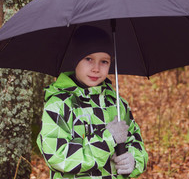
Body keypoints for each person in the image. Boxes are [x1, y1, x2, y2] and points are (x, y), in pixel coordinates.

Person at [37, 26, 148, 179]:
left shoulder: (116, 104)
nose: (96, 68)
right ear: (75, 59)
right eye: (88, 59)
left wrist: (134, 160)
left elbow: (135, 140)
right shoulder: (58, 106)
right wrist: (108, 139)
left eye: (104, 61)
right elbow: (58, 157)